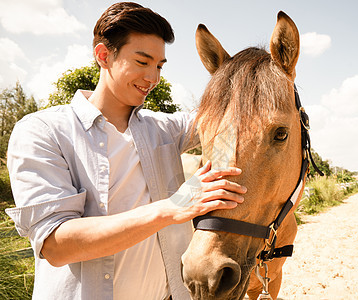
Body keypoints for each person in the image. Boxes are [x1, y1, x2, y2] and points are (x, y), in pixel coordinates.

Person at [5, 2, 246, 299]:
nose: (153, 78)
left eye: (159, 66)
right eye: (142, 62)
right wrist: (172, 207)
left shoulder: (163, 129)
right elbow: (56, 244)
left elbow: (230, 118)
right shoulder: (43, 131)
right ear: (104, 56)